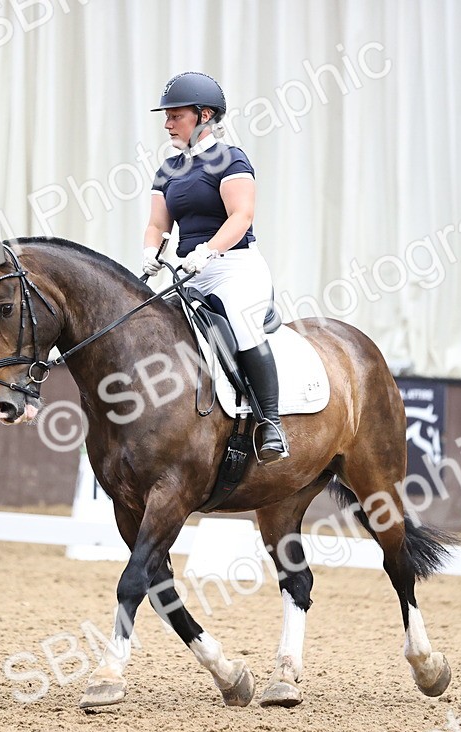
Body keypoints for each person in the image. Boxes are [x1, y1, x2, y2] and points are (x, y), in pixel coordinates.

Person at [142, 72, 289, 463]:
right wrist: (150, 252)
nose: (167, 123)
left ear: (204, 115)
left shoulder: (231, 159)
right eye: (167, 116)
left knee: (241, 322)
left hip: (235, 266)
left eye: (176, 115)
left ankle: (271, 423)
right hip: (190, 272)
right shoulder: (168, 170)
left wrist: (209, 250)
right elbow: (157, 224)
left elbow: (241, 215)